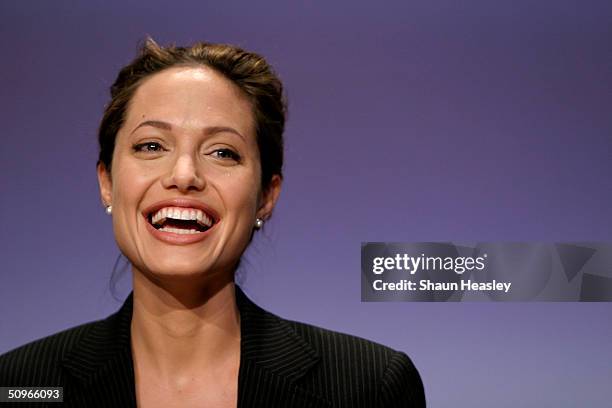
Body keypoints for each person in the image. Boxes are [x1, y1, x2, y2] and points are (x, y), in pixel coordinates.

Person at [0, 38, 425, 407]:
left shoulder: (369, 386)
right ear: (107, 183)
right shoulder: (22, 385)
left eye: (222, 152)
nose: (184, 174)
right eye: (151, 145)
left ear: (266, 196)